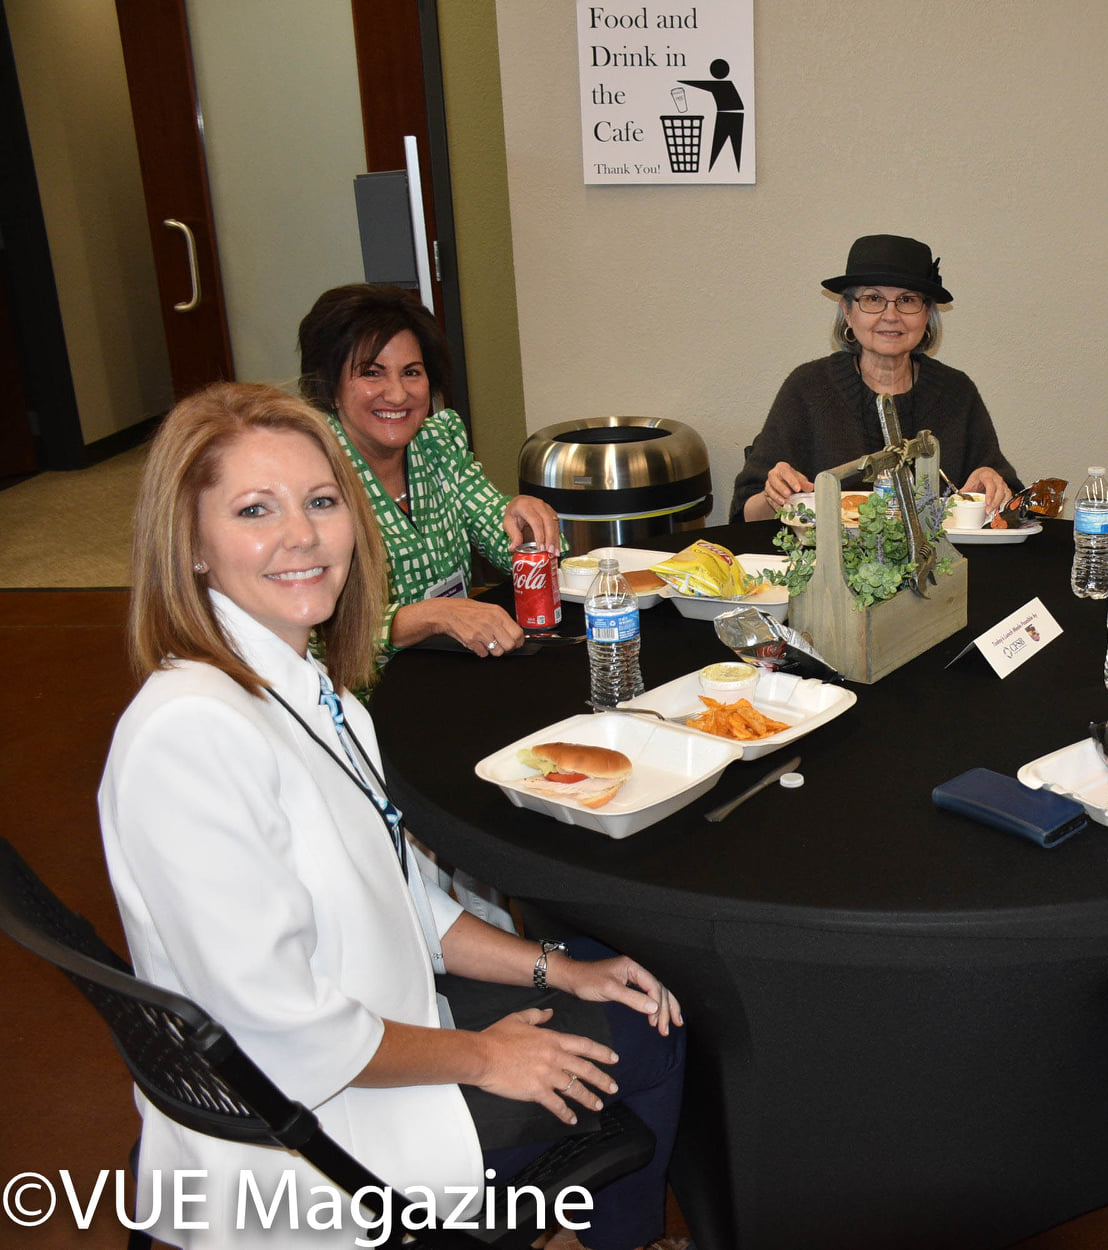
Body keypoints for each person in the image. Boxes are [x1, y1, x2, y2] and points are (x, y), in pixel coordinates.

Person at [98, 383, 686, 1249]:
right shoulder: (188, 735)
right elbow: (283, 1032)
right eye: (256, 509)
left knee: (614, 981)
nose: (302, 535)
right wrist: (485, 1056)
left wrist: (559, 972)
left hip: (379, 1035)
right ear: (189, 545)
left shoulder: (316, 695)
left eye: (321, 501)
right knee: (652, 1043)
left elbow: (410, 905)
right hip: (315, 1139)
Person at [299, 283, 559, 661]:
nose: (397, 394)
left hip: (453, 669)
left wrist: (526, 525)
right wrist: (431, 616)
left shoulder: (437, 442)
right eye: (372, 373)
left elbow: (499, 531)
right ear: (330, 388)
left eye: (411, 372)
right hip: (361, 690)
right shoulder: (308, 473)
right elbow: (313, 630)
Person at [731, 234, 1021, 521]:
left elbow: (1014, 509)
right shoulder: (808, 388)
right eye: (873, 299)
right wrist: (774, 495)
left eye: (907, 300)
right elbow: (745, 515)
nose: (891, 315)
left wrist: (992, 483)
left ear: (927, 314)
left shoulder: (957, 392)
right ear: (847, 311)